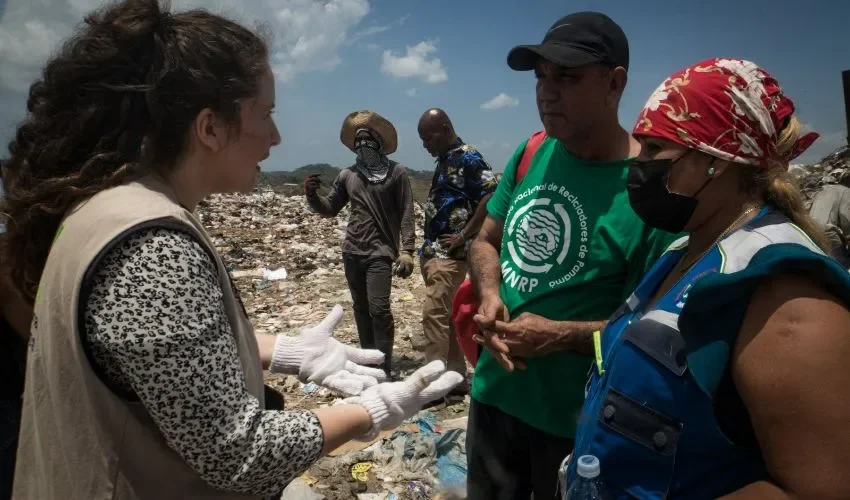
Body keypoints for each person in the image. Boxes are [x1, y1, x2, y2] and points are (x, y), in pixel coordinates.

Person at [1, 1, 461, 499]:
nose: (277, 136)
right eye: (265, 114)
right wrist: (370, 412)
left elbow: (156, 353)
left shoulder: (107, 209)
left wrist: (279, 350)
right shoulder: (154, 251)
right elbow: (238, 455)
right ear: (210, 127)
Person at [565, 58, 850, 499]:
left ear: (717, 160)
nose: (638, 167)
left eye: (655, 150)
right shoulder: (686, 251)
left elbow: (820, 489)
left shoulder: (786, 301)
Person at [465, 12, 680, 499]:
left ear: (615, 82)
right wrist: (490, 294)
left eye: (567, 76)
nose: (547, 91)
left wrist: (559, 336)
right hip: (492, 398)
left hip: (576, 428)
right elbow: (485, 241)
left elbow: (653, 330)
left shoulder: (650, 191)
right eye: (542, 76)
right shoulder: (533, 151)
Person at [305, 110, 416, 378]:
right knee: (361, 309)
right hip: (352, 251)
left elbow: (406, 210)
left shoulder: (396, 173)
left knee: (379, 308)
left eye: (368, 140)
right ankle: (369, 362)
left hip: (381, 252)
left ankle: (384, 363)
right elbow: (330, 208)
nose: (363, 145)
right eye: (358, 141)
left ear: (378, 143)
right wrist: (311, 195)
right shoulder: (347, 175)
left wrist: (408, 250)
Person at [416, 108, 498, 390]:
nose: (425, 144)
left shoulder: (468, 157)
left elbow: (490, 194)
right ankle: (455, 378)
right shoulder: (444, 160)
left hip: (450, 255)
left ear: (445, 128)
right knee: (446, 317)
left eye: (428, 136)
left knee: (434, 313)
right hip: (434, 252)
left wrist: (463, 236)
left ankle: (434, 383)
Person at [809, 180, 850, 267]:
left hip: (809, 232)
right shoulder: (846, 191)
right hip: (827, 233)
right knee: (842, 268)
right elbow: (846, 220)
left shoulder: (821, 191)